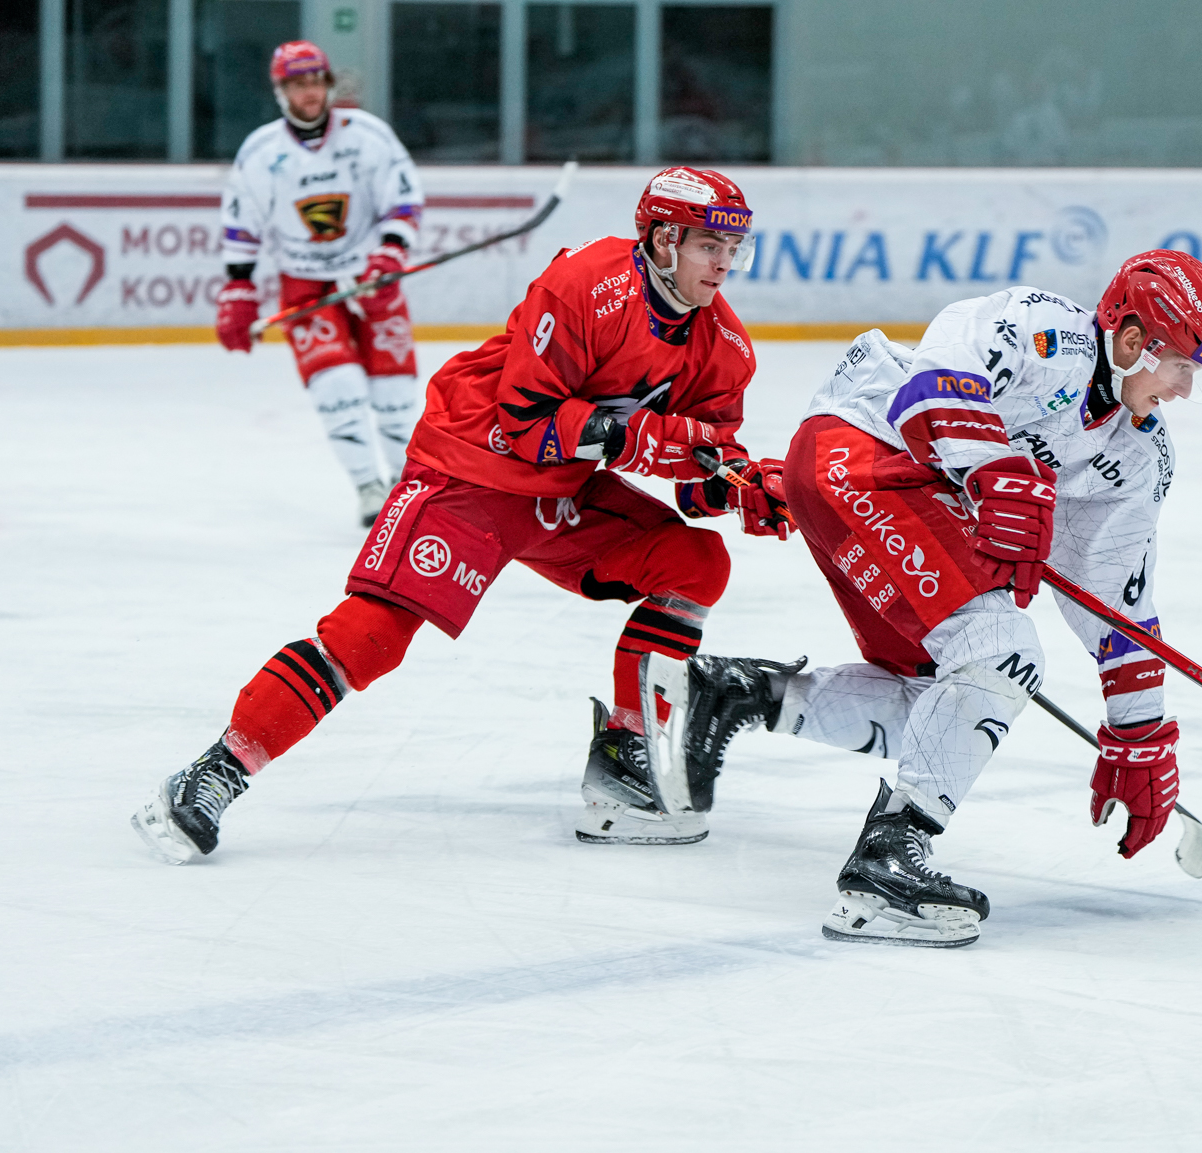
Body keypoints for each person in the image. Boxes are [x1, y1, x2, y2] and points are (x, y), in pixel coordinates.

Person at [132, 167, 789, 864]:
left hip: (559, 493)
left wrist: (748, 488)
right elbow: (528, 421)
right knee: (370, 637)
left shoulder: (724, 347)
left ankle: (626, 752)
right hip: (472, 468)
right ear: (661, 240)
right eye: (709, 246)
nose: (724, 263)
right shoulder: (585, 284)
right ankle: (218, 769)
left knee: (696, 562)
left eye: (733, 248)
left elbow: (699, 474)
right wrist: (648, 440)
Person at [674, 252, 1202, 947]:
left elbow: (1116, 600)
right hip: (861, 452)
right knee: (999, 654)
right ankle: (885, 865)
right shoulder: (1048, 332)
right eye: (1179, 364)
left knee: (943, 709)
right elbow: (937, 374)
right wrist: (991, 469)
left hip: (892, 494)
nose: (1184, 388)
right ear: (1130, 340)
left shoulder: (1137, 454)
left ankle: (739, 694)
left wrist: (1139, 732)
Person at [213, 40, 428, 526]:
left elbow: (403, 199)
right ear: (280, 90)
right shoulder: (261, 152)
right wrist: (238, 288)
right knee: (337, 388)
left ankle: (408, 485)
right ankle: (369, 487)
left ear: (328, 83)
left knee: (394, 392)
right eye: (297, 84)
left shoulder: (368, 135)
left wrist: (391, 252)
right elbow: (241, 225)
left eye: (315, 81)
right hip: (304, 283)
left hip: (372, 278)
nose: (308, 92)